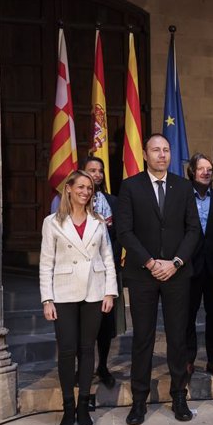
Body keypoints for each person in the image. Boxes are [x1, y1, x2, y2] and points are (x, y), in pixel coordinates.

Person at [117, 134, 201, 425]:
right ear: (145, 154)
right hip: (143, 275)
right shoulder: (130, 186)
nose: (162, 155)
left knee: (178, 338)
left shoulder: (183, 187)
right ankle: (138, 401)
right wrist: (152, 262)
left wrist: (175, 262)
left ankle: (179, 395)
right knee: (143, 338)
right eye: (156, 150)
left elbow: (193, 230)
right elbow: (125, 231)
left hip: (177, 274)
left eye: (166, 150)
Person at [39, 170, 117, 425]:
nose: (85, 192)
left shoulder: (98, 221)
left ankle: (84, 405)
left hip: (94, 292)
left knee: (87, 349)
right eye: (80, 187)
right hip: (63, 293)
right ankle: (68, 407)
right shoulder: (52, 222)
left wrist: (109, 292)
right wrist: (47, 299)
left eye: (89, 188)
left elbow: (108, 258)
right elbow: (45, 262)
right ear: (69, 189)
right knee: (68, 350)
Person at [185, 153, 213, 378]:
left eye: (209, 169)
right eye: (201, 168)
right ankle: (187, 360)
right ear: (192, 171)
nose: (206, 172)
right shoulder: (182, 197)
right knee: (187, 317)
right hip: (188, 267)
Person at [83, 156, 123, 388]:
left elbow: (119, 234)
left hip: (107, 269)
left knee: (105, 324)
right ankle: (84, 368)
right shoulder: (72, 200)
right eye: (92, 170)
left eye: (100, 170)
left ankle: (103, 366)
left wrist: (113, 262)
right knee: (83, 324)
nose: (97, 174)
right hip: (81, 271)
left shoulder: (113, 201)